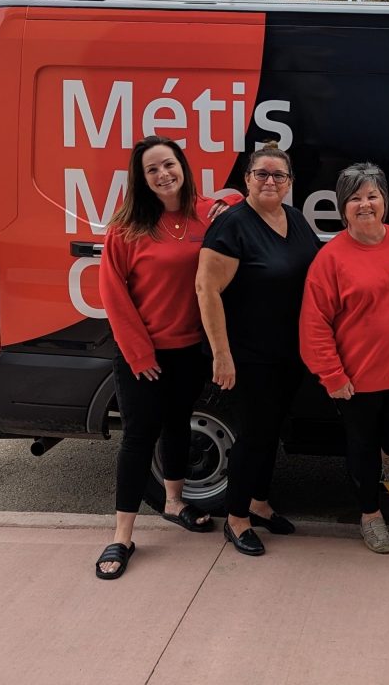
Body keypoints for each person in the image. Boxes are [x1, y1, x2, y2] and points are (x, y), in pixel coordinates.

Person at [94, 135, 236, 580]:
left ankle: (174, 503)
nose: (162, 174)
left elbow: (236, 198)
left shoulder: (202, 211)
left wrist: (228, 200)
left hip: (189, 349)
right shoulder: (126, 227)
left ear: (183, 167)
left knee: (178, 425)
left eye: (168, 165)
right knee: (138, 438)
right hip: (144, 354)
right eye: (152, 169)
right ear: (141, 178)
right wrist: (138, 353)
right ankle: (121, 535)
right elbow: (112, 294)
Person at [299, 162, 389, 553]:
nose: (365, 204)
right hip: (355, 380)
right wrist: (332, 375)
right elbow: (314, 324)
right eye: (355, 198)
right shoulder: (330, 259)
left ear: (384, 201)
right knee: (360, 448)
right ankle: (371, 517)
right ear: (343, 207)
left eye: (372, 196)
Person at [196, 141, 321, 556]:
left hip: (288, 352)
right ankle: (236, 518)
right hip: (248, 355)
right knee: (252, 436)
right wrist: (221, 353)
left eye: (278, 175)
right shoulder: (232, 224)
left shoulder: (294, 218)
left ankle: (259, 502)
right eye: (261, 174)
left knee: (273, 431)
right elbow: (206, 289)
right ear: (247, 179)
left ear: (289, 183)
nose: (270, 181)